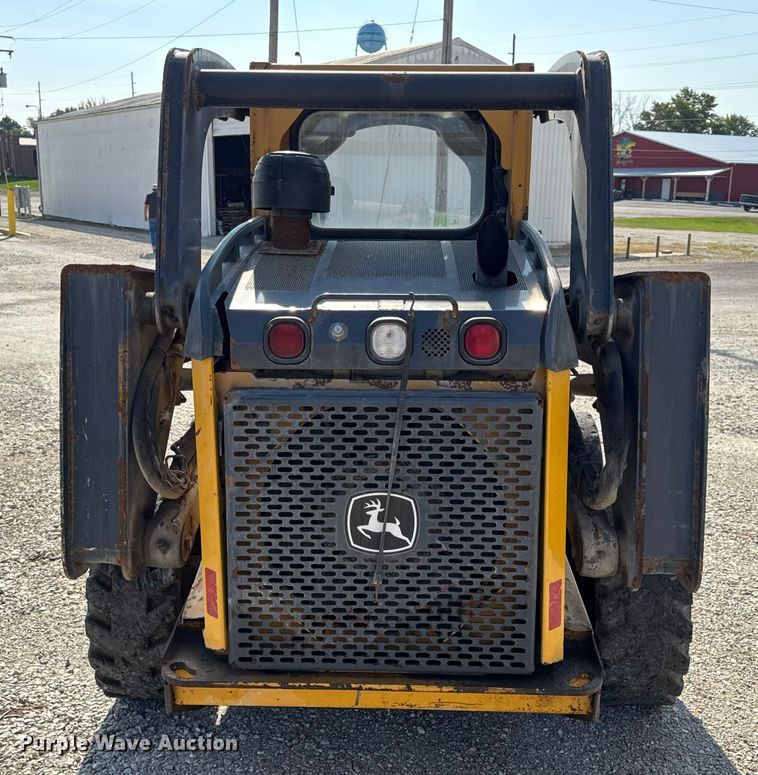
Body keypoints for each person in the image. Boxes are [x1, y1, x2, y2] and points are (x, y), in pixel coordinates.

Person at [143, 184, 159, 253]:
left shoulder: (149, 196)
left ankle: (154, 247)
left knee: (153, 232)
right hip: (159, 218)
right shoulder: (160, 197)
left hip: (152, 217)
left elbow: (146, 207)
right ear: (158, 189)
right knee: (159, 232)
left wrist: (145, 216)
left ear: (152, 189)